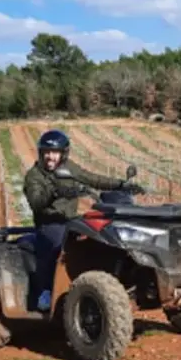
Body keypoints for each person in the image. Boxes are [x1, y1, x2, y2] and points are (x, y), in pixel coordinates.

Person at [23, 129, 143, 312]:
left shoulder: (68, 168)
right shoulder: (34, 176)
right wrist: (55, 193)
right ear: (41, 153)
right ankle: (45, 292)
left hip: (70, 220)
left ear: (63, 154)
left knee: (98, 238)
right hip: (49, 223)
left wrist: (121, 185)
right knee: (57, 246)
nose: (50, 157)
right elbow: (36, 202)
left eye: (55, 152)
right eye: (46, 152)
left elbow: (92, 178)